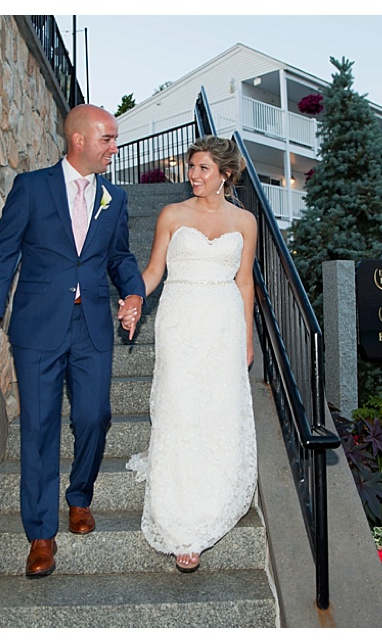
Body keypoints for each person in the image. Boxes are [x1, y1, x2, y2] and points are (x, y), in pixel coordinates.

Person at [0, 104, 145, 578]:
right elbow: (4, 251)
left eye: (114, 138)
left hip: (91, 325)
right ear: (79, 140)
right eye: (107, 138)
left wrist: (133, 291)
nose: (114, 146)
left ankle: (80, 495)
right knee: (40, 426)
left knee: (94, 416)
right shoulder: (31, 188)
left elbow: (120, 257)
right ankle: (41, 533)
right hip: (38, 327)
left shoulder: (115, 197)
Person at [121, 136, 258, 573]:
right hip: (179, 320)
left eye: (202, 168)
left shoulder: (246, 221)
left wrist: (247, 335)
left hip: (222, 322)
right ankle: (180, 520)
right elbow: (154, 271)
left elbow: (244, 283)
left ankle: (211, 498)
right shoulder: (172, 214)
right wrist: (133, 299)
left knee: (215, 410)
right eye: (191, 166)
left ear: (224, 174)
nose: (193, 175)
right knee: (180, 408)